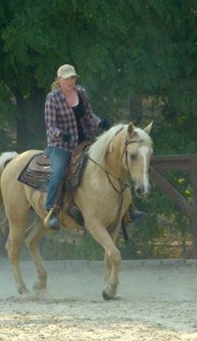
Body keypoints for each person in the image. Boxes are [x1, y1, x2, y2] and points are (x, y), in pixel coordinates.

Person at [43, 64, 146, 230]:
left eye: (73, 77)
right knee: (59, 171)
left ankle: (127, 209)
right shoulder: (52, 98)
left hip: (84, 141)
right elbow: (50, 126)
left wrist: (100, 122)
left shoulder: (81, 93)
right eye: (67, 78)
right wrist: (61, 134)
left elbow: (89, 116)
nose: (71, 80)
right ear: (59, 80)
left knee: (112, 163)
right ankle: (51, 211)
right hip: (61, 144)